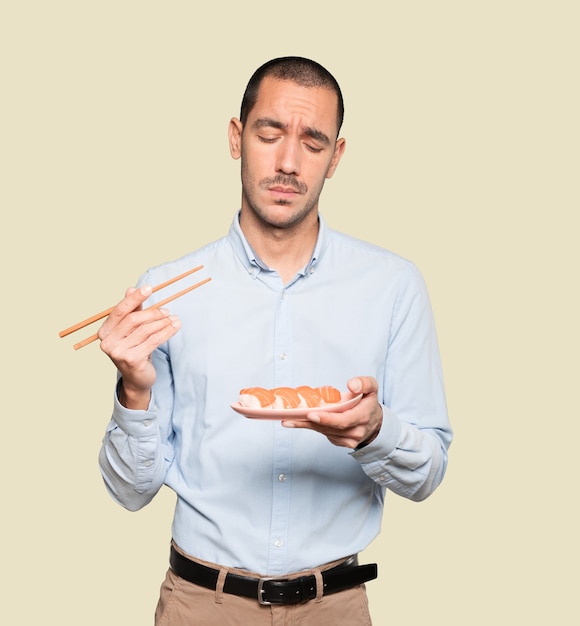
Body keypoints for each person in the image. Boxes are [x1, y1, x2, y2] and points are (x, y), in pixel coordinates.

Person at [97, 56, 453, 625]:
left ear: (335, 158)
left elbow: (428, 473)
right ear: (237, 138)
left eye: (313, 143)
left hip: (333, 605)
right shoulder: (165, 292)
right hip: (200, 605)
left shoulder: (393, 286)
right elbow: (130, 492)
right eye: (270, 133)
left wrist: (375, 429)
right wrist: (132, 390)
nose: (288, 161)